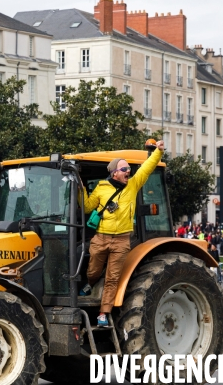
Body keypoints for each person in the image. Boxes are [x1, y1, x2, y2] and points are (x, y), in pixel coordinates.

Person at [79, 139, 164, 326]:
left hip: (122, 240)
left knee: (112, 278)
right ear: (114, 172)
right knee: (93, 271)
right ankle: (90, 283)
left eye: (128, 169)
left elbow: (147, 168)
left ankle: (103, 313)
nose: (129, 172)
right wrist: (81, 188)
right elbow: (86, 207)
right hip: (101, 238)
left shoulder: (133, 185)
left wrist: (157, 152)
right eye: (124, 169)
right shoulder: (102, 188)